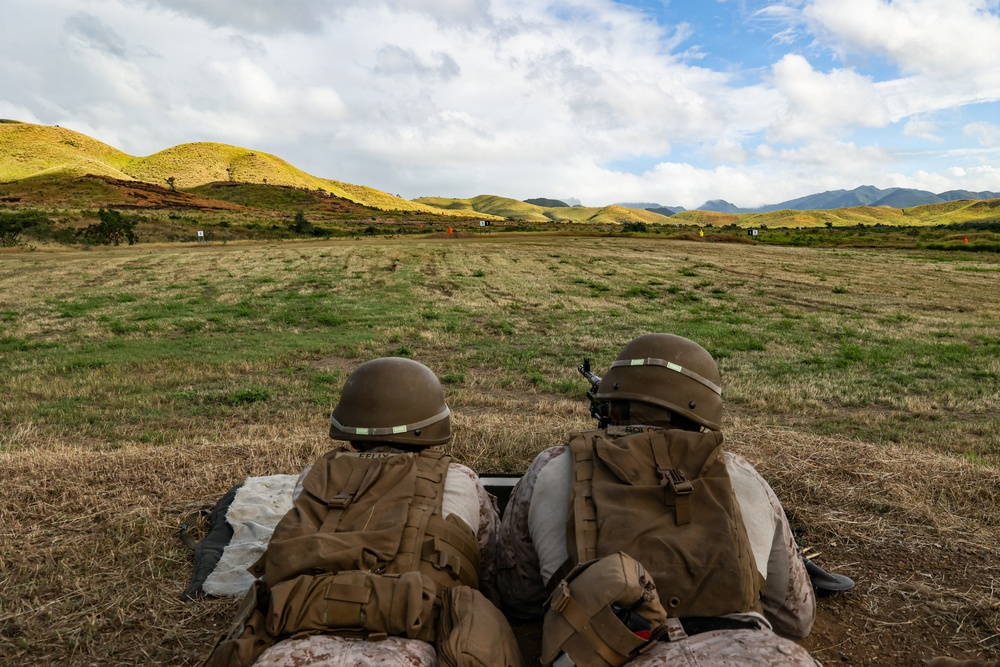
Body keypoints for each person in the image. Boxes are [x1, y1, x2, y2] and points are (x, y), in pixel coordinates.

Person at [497, 334, 819, 666]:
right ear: (702, 414)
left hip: (604, 653)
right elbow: (796, 617)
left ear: (614, 404)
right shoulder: (744, 475)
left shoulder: (550, 466)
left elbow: (516, 594)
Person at [204, 357, 520, 667]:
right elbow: (487, 564)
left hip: (294, 641)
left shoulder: (313, 477)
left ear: (349, 433)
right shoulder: (462, 479)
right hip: (417, 642)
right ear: (435, 425)